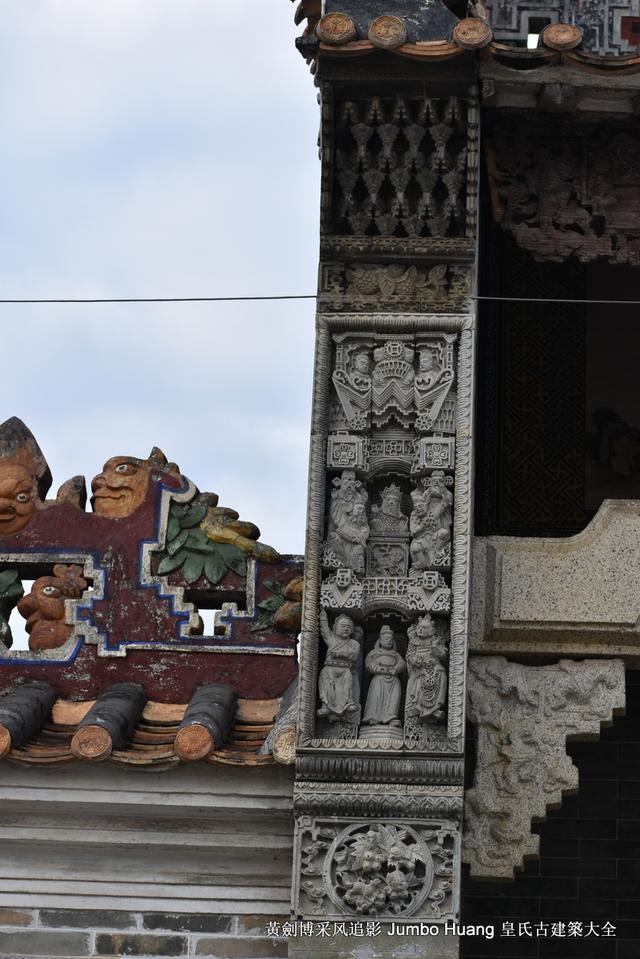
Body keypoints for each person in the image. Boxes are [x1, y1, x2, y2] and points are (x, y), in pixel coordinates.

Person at [317, 610, 361, 723]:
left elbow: (354, 655)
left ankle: (346, 705)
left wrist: (339, 654)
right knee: (327, 688)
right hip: (329, 669)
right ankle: (326, 706)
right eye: (343, 626)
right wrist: (322, 615)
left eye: (348, 627)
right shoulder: (331, 639)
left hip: (345, 670)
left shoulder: (354, 643)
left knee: (346, 689)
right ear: (335, 628)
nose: (346, 629)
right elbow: (324, 629)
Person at [362, 626, 405, 726]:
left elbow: (402, 664)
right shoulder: (375, 653)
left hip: (393, 679)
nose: (389, 641)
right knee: (376, 697)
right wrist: (377, 668)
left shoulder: (395, 654)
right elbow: (368, 663)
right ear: (380, 640)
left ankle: (391, 717)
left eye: (391, 639)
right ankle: (373, 717)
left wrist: (396, 669)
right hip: (379, 678)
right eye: (386, 639)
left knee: (394, 698)